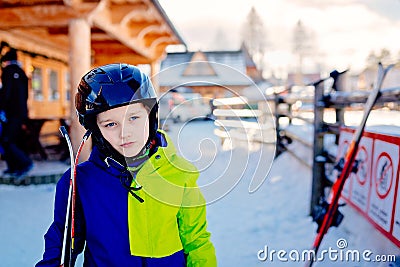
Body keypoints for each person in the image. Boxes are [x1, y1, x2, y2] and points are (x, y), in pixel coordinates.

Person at [36, 63, 217, 267]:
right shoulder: (80, 182)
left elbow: (196, 241)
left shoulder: (179, 173)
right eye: (110, 124)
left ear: (150, 116)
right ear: (95, 130)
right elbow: (62, 243)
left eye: (133, 118)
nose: (125, 133)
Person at [0, 48, 33, 179]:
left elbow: (6, 93)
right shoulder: (22, 73)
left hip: (10, 113)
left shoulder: (8, 72)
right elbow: (25, 95)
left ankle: (24, 163)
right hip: (21, 113)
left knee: (6, 140)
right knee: (16, 139)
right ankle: (14, 167)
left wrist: (1, 106)